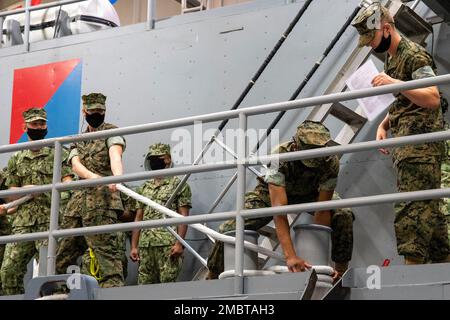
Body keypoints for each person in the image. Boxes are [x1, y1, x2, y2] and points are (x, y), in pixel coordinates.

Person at [352, 3, 450, 264]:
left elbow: (431, 98)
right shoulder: (392, 57)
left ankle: (410, 270)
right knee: (429, 211)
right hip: (408, 144)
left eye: (371, 39)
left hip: (421, 148)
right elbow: (406, 100)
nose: (371, 46)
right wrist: (385, 124)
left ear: (386, 29)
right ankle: (444, 265)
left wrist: (395, 83)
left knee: (412, 208)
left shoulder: (414, 55)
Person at [206, 121, 354, 279]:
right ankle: (213, 275)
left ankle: (341, 273)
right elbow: (279, 211)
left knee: (343, 213)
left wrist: (320, 259)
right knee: (228, 229)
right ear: (295, 145)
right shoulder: (279, 156)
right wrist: (290, 256)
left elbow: (322, 209)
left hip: (311, 191)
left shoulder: (329, 161)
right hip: (271, 193)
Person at [56, 93, 126, 287]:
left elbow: (115, 156)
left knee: (106, 256)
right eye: (92, 111)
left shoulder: (111, 132)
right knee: (63, 253)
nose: (96, 114)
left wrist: (117, 178)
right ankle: (58, 292)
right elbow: (75, 165)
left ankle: (113, 295)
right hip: (77, 204)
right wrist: (92, 177)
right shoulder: (78, 139)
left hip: (102, 202)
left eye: (100, 111)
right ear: (84, 111)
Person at [0, 108, 72, 295]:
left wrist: (48, 193)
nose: (38, 127)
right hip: (22, 224)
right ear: (25, 127)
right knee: (8, 271)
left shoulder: (57, 152)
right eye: (34, 124)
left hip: (49, 222)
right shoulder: (17, 158)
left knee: (51, 273)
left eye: (42, 124)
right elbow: (9, 193)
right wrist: (27, 190)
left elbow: (68, 185)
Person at [130, 143, 192, 284]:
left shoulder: (179, 185)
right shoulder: (144, 188)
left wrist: (179, 244)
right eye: (152, 158)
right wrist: (134, 246)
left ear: (168, 159)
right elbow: (138, 218)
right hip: (146, 246)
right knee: (144, 287)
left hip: (168, 245)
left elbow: (183, 216)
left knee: (167, 286)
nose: (155, 161)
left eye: (159, 158)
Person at [0, 167, 12, 295]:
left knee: (5, 273)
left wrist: (6, 209)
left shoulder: (4, 177)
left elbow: (11, 204)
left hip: (2, 231)